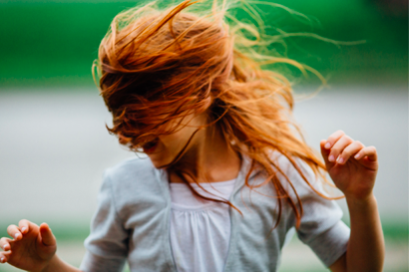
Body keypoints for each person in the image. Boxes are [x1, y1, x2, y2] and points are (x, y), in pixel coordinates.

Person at [0, 0, 384, 271]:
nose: (126, 130)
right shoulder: (122, 188)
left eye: (143, 110)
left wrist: (359, 199)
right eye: (119, 113)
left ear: (202, 94)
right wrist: (49, 267)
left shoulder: (279, 176)